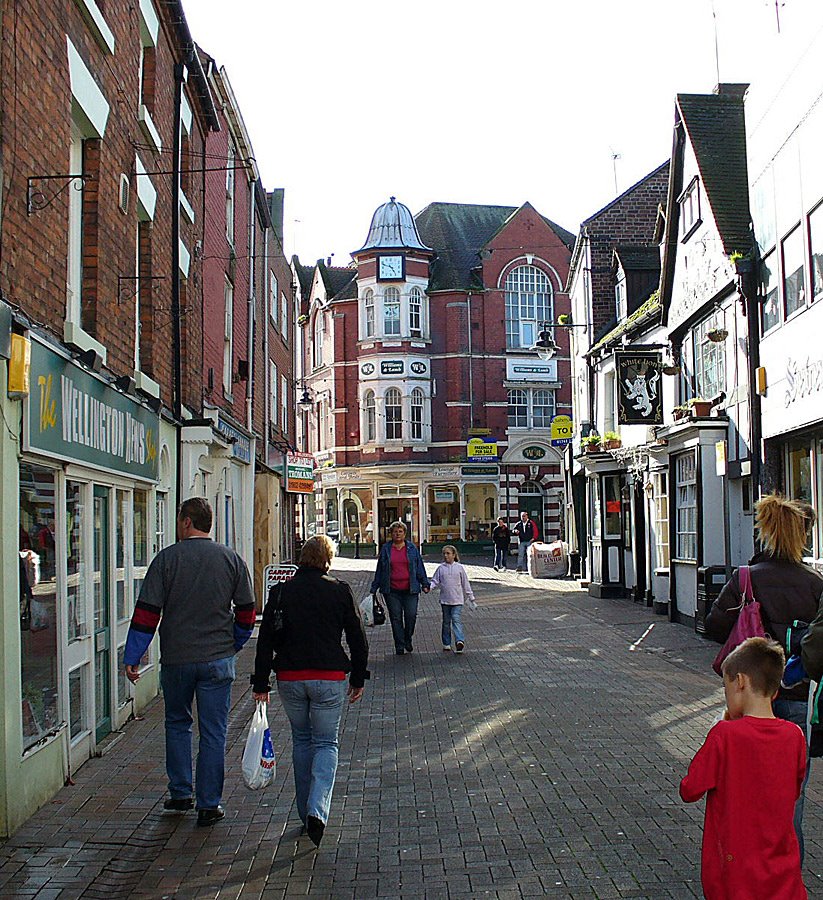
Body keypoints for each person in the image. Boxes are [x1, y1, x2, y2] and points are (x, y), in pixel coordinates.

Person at [123, 497, 255, 827]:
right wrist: (233, 644)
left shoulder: (167, 560)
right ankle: (209, 804)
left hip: (178, 659)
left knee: (177, 723)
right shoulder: (231, 560)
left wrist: (133, 655)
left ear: (186, 522)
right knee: (214, 732)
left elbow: (147, 613)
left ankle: (181, 792)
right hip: (217, 658)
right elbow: (247, 612)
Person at [706, 493, 823, 860]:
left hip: (751, 694)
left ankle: (746, 867)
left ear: (767, 533)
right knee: (792, 796)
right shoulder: (816, 584)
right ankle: (785, 872)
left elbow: (712, 626)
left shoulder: (746, 579)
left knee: (744, 789)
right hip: (799, 699)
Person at [252, 535, 368, 847]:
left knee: (302, 741)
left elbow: (265, 640)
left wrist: (261, 682)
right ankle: (319, 808)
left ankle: (305, 814)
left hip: (290, 677)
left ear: (302, 558)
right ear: (328, 560)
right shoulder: (339, 591)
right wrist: (358, 677)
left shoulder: (281, 592)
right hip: (329, 676)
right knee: (326, 743)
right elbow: (357, 637)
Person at [680, 637, 807, 900]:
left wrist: (716, 732)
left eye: (726, 689)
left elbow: (690, 789)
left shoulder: (725, 735)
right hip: (782, 872)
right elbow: (793, 791)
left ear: (740, 682)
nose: (727, 699)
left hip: (734, 874)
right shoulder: (794, 736)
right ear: (774, 691)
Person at [371, 521, 430, 655]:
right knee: (396, 617)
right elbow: (380, 569)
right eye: (395, 532)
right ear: (391, 534)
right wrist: (374, 588)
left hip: (411, 589)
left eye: (400, 531)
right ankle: (399, 644)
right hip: (391, 590)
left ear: (405, 533)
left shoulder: (412, 548)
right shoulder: (386, 549)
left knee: (411, 615)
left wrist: (425, 583)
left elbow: (419, 566)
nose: (397, 534)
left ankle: (407, 638)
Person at [430, 545, 476, 653]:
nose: (446, 556)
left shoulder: (459, 568)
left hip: (457, 600)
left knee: (456, 619)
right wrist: (429, 588)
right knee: (446, 621)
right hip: (445, 600)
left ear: (454, 555)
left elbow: (465, 583)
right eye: (444, 554)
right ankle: (446, 643)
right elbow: (435, 581)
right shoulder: (441, 568)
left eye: (448, 553)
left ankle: (459, 641)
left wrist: (471, 596)